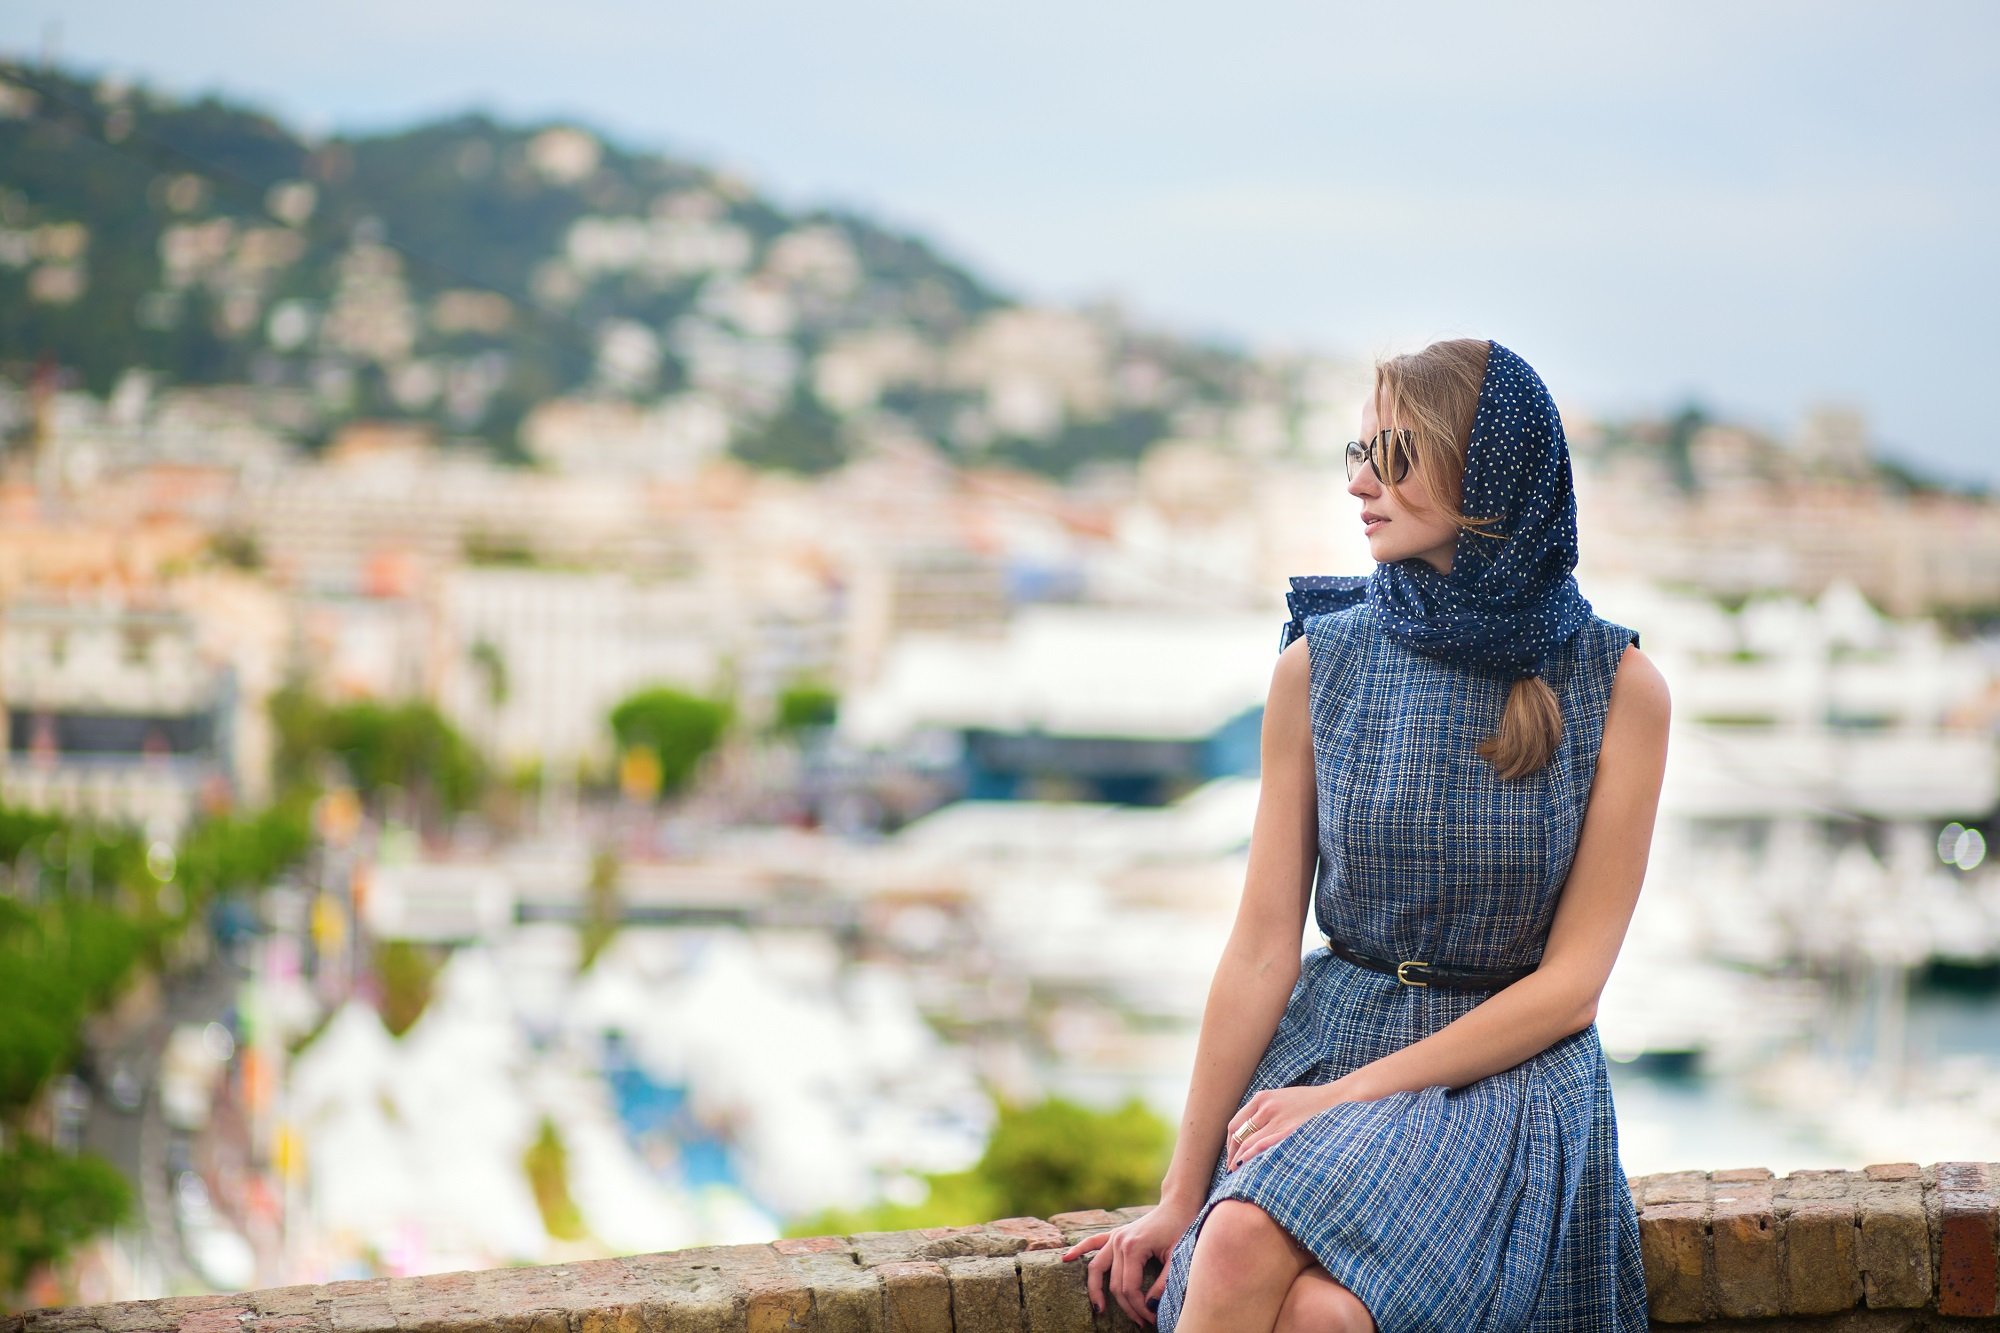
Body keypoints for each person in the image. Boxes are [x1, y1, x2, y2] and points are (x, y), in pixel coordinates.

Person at [1060, 338, 1669, 1332]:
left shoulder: (1617, 687)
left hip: (1505, 1084)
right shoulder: (1318, 661)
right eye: (1357, 450)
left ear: (1481, 474)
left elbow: (1570, 987)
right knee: (1322, 1319)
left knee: (1247, 1237)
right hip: (1332, 1036)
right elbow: (1260, 947)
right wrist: (1177, 1194)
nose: (1356, 483)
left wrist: (1344, 1099)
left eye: (1392, 454)